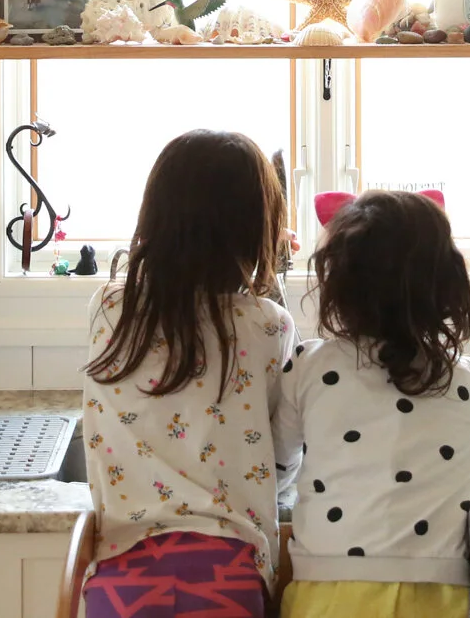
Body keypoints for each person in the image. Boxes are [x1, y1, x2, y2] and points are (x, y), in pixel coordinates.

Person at [81, 130, 295, 618]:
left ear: (156, 214)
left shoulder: (110, 308)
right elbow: (283, 451)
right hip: (229, 575)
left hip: (122, 578)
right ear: (253, 224)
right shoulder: (266, 323)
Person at [277, 190, 470, 618]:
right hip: (439, 595)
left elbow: (278, 465)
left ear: (340, 284)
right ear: (446, 283)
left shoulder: (310, 367)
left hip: (329, 592)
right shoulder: (466, 380)